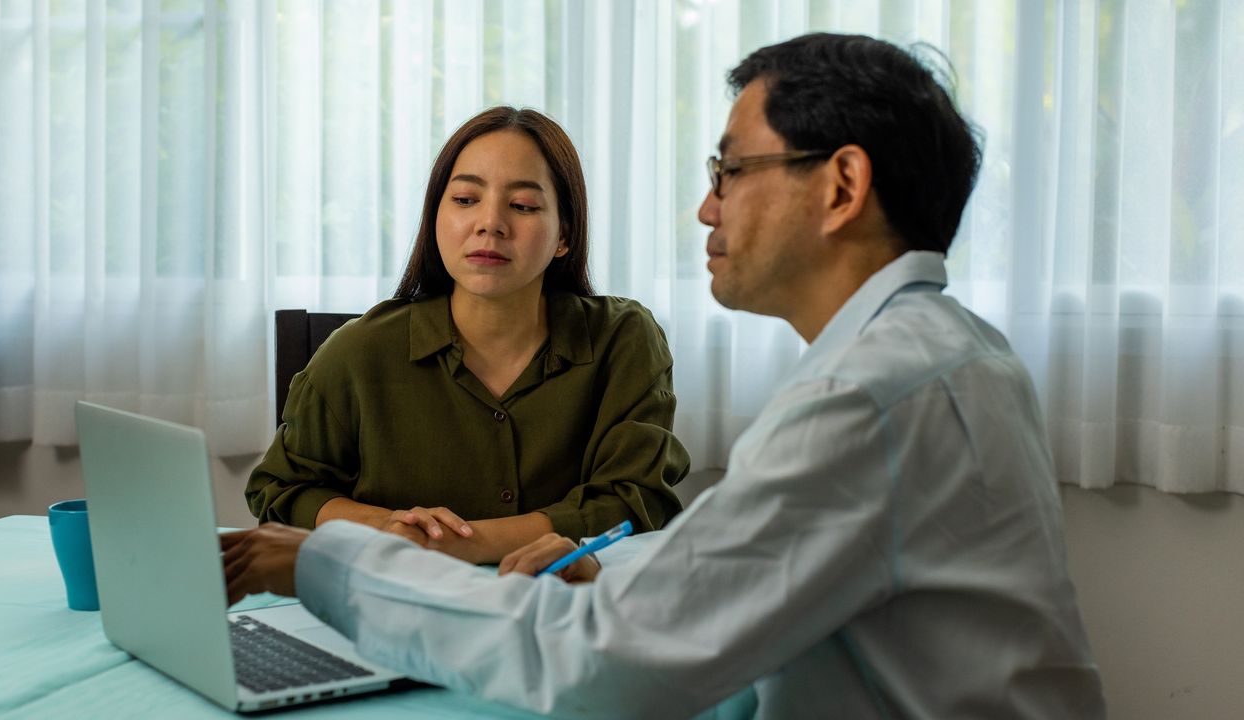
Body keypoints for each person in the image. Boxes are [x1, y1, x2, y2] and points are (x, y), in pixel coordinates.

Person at [223, 33, 1106, 718]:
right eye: (465, 196)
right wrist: (615, 575)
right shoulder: (950, 350)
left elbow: (601, 664)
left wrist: (326, 566)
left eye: (732, 170)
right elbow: (737, 555)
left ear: (841, 187)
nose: (706, 207)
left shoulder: (869, 397)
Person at [245, 106, 689, 564]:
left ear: (564, 235)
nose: (490, 223)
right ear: (435, 217)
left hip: (561, 613)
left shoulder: (625, 340)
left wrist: (458, 541)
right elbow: (281, 489)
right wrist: (388, 528)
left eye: (522, 206)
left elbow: (634, 503)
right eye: (464, 200)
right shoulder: (358, 351)